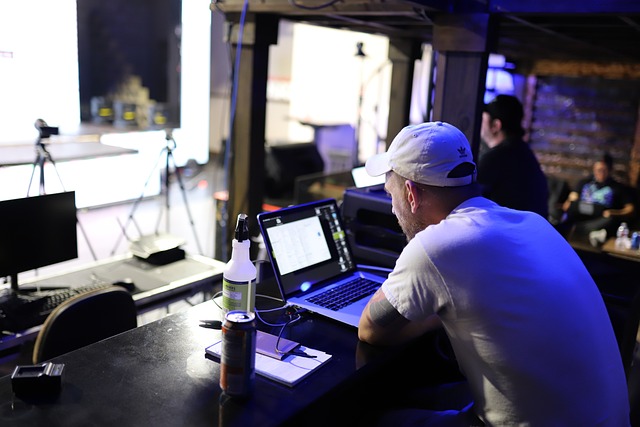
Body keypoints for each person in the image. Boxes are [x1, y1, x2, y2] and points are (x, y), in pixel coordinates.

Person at [359, 121, 630, 426]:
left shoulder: (436, 245)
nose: (393, 209)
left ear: (411, 194)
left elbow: (370, 329)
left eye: (390, 195)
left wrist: (431, 314)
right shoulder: (533, 223)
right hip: (609, 419)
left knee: (369, 417)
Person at [478, 94, 549, 219]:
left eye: (483, 118)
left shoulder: (496, 158)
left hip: (506, 229)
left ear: (495, 126)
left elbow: (465, 199)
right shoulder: (522, 152)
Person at [559, 152, 636, 245]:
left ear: (610, 170)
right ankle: (575, 230)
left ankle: (581, 230)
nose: (600, 173)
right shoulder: (585, 182)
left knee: (610, 220)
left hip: (601, 216)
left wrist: (614, 213)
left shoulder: (618, 187)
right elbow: (571, 199)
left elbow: (630, 209)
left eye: (604, 170)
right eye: (598, 170)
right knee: (573, 207)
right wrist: (570, 201)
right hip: (582, 212)